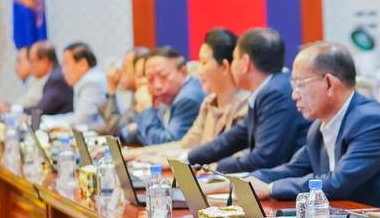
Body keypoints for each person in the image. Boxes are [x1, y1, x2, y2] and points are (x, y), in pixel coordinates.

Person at [243, 42, 380, 215]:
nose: (294, 95)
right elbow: (293, 169)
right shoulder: (318, 128)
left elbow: (337, 183)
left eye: (300, 85)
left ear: (329, 83)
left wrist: (270, 188)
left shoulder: (372, 122)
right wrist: (246, 182)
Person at [184, 28, 307, 173]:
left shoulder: (276, 93)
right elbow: (234, 138)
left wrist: (214, 168)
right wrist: (189, 158)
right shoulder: (268, 89)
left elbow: (264, 159)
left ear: (245, 62)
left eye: (234, 58)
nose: (232, 66)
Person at [137, 29, 250, 161]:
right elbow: (185, 145)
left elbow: (233, 160)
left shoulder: (246, 106)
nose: (199, 71)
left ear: (224, 66)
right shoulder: (209, 103)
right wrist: (139, 154)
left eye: (204, 63)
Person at [125, 46, 204, 146]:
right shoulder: (167, 97)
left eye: (163, 76)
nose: (157, 86)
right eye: (150, 79)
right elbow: (127, 132)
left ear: (183, 72)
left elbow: (166, 144)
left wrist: (146, 109)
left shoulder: (187, 98)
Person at [43, 42, 107, 129]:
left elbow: (81, 121)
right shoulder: (90, 78)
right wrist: (49, 120)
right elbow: (78, 116)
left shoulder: (91, 82)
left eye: (66, 64)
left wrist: (50, 122)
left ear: (82, 64)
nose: (63, 71)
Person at [98, 48, 149, 137]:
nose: (119, 74)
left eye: (125, 69)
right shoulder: (134, 95)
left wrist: (111, 88)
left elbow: (114, 129)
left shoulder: (144, 95)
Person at [26, 41, 73, 115]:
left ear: (45, 61)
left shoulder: (56, 79)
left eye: (32, 61)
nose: (30, 66)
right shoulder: (54, 75)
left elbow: (40, 110)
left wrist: (14, 110)